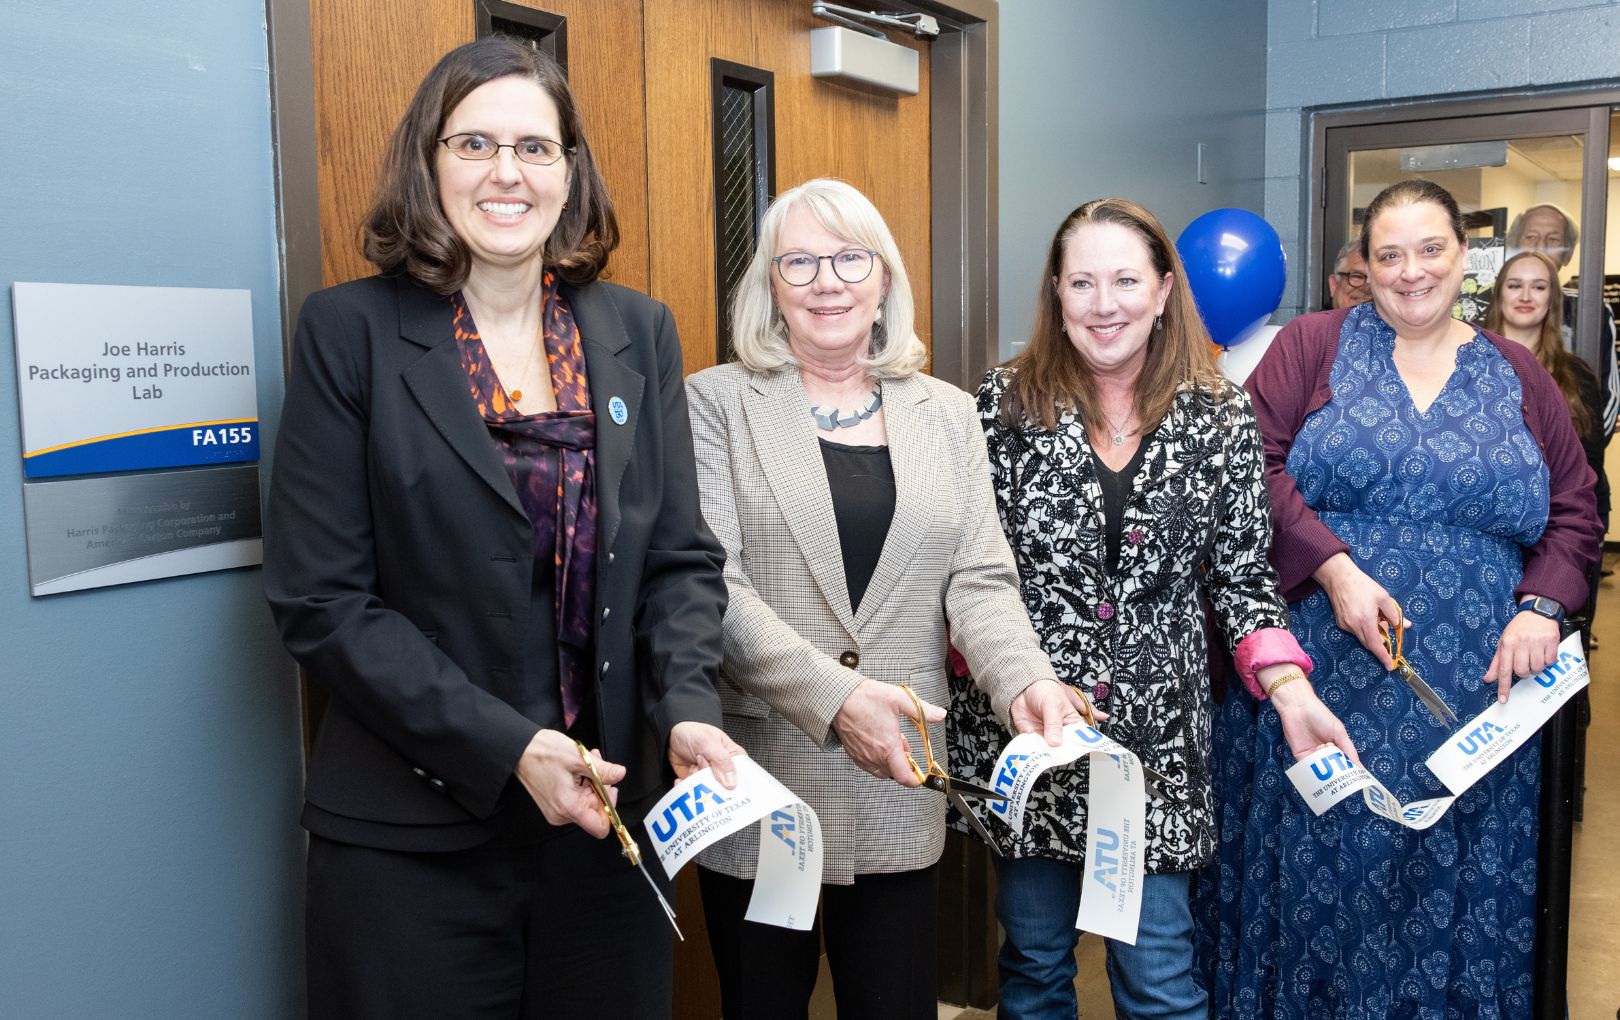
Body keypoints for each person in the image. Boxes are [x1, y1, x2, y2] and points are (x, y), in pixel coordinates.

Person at [263, 38, 743, 1018]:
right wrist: (508, 745)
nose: (506, 172)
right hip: (414, 839)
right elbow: (322, 602)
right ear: (428, 162)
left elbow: (679, 562)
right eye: (474, 143)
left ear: (570, 171)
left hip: (603, 829)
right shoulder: (350, 331)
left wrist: (687, 705)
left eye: (535, 147)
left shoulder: (634, 332)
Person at [685, 178, 1087, 1020]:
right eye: (798, 261)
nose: (826, 280)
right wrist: (838, 700)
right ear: (769, 288)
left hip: (902, 775)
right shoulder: (714, 402)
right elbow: (710, 584)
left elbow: (979, 580)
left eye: (848, 257)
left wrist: (1027, 683)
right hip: (766, 773)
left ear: (884, 280)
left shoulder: (945, 413)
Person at [946, 198, 1356, 1020]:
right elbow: (966, 568)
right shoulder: (997, 407)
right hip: (1030, 733)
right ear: (1056, 295)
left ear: (1166, 290)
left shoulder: (1220, 415)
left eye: (1127, 279)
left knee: (1160, 979)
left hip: (1157, 746)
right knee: (1032, 969)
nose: (1106, 304)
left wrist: (1291, 690)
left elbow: (1242, 579)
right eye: (1084, 282)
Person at [1209, 179, 1601, 1017]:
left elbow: (1576, 508)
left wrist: (1541, 605)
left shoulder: (1519, 372)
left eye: (1431, 250)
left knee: (1459, 874)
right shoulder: (1311, 346)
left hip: (1478, 692)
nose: (1411, 271)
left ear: (1465, 257)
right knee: (1331, 865)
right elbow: (1249, 472)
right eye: (1389, 255)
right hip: (1324, 673)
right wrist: (1334, 568)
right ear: (1363, 265)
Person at [1507, 202, 1618, 443]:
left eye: (1553, 240)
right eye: (1531, 237)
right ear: (1514, 245)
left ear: (1568, 254)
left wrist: (1579, 456)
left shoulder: (1592, 310)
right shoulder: (1497, 306)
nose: (1540, 247)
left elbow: (1609, 397)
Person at [1326, 235, 1370, 310]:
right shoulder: (1309, 322)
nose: (1367, 288)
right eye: (1358, 276)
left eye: (1376, 279)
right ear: (1334, 284)